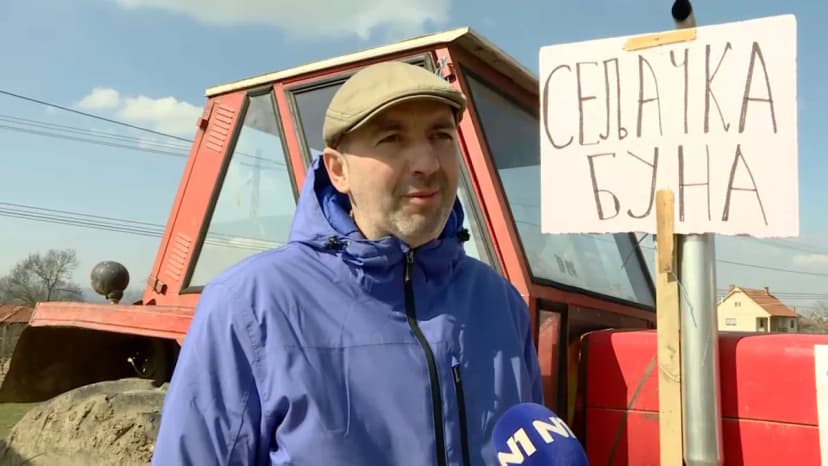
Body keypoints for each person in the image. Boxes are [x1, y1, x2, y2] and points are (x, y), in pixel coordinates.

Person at [151, 60, 544, 466]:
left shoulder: (501, 304)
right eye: (392, 138)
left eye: (440, 136)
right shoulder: (251, 305)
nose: (427, 163)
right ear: (338, 171)